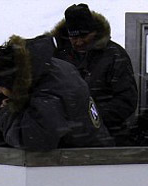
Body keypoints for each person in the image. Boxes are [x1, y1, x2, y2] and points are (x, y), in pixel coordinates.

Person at [0, 34, 113, 151]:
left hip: (88, 163)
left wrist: (8, 113)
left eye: (0, 87)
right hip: (95, 153)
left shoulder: (47, 93)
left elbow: (34, 140)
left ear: (13, 83)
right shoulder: (51, 69)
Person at [52, 4, 138, 144]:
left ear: (95, 32)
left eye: (84, 36)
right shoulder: (57, 56)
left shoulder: (114, 55)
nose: (79, 42)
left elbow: (126, 100)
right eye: (73, 37)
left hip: (107, 138)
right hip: (64, 139)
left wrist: (92, 119)